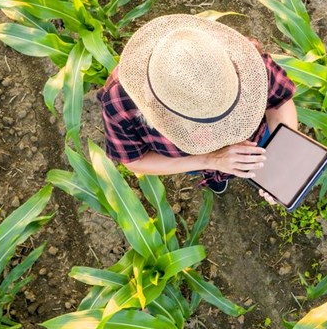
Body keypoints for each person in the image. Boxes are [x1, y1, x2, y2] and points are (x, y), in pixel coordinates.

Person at [98, 14, 298, 195]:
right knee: (202, 171)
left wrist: (282, 159)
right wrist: (209, 160)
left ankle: (222, 176)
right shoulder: (119, 101)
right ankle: (214, 179)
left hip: (255, 142)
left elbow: (278, 103)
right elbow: (135, 161)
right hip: (188, 159)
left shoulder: (247, 61)